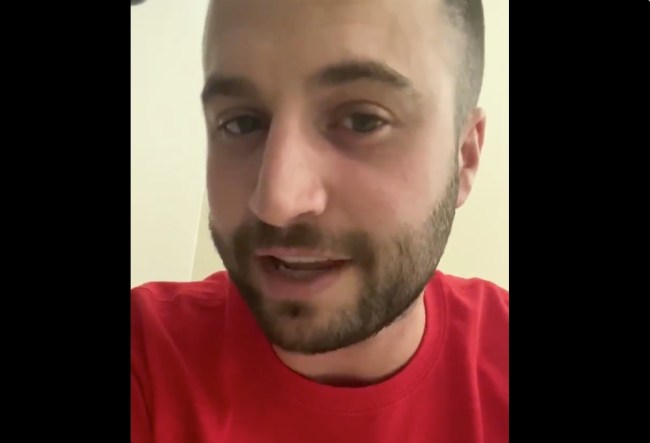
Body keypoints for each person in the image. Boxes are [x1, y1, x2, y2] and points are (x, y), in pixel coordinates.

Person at [131, 0, 508, 441]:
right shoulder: (147, 356)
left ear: (464, 156)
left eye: (363, 121)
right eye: (240, 124)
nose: (276, 201)